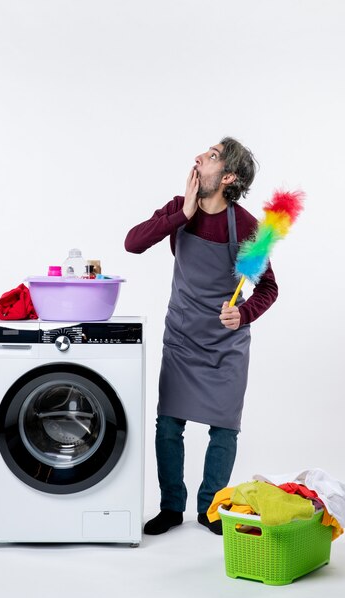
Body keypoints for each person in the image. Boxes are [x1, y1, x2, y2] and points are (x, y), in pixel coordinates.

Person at [124, 137, 278, 535]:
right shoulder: (180, 207)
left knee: (224, 428)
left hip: (225, 345)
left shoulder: (246, 226)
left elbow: (267, 288)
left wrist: (242, 314)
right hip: (181, 336)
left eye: (210, 156)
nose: (197, 157)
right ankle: (172, 507)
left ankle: (211, 509)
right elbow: (133, 243)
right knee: (168, 424)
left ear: (227, 176)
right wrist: (183, 214)